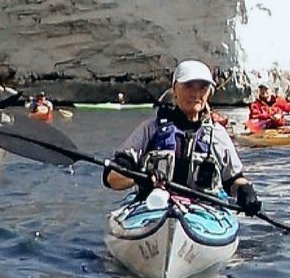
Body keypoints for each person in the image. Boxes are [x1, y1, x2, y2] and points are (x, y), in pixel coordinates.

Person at [103, 60, 264, 215]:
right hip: (152, 206)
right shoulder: (150, 129)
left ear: (209, 92)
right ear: (174, 89)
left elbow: (234, 180)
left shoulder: (217, 135)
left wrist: (246, 191)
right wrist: (141, 178)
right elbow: (112, 178)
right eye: (188, 86)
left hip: (202, 212)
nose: (195, 93)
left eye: (203, 87)